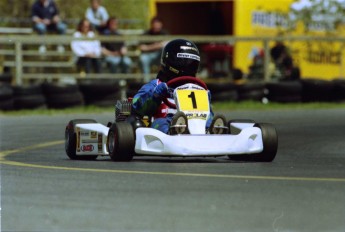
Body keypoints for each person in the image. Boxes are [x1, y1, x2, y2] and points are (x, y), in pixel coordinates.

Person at [132, 39, 214, 134]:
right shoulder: (157, 84)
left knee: (211, 122)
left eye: (191, 64)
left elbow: (208, 115)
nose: (187, 67)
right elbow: (136, 105)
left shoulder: (198, 88)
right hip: (166, 122)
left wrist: (206, 100)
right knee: (160, 123)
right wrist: (155, 95)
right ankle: (173, 132)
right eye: (183, 63)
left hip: (196, 124)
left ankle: (212, 132)